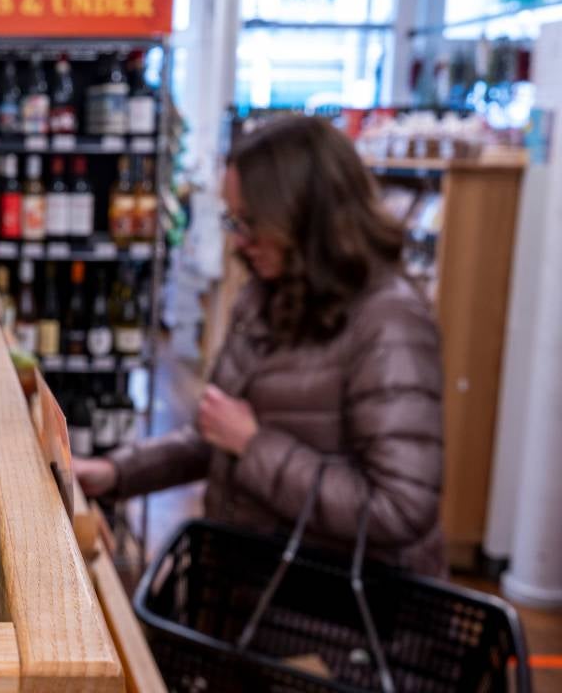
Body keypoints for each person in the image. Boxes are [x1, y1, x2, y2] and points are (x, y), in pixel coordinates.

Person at [75, 115, 446, 577]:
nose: (239, 240)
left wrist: (253, 444)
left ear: (305, 215)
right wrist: (117, 473)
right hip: (253, 582)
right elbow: (218, 432)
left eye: (250, 222)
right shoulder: (267, 294)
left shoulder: (388, 322)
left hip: (333, 606)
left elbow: (400, 508)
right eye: (233, 219)